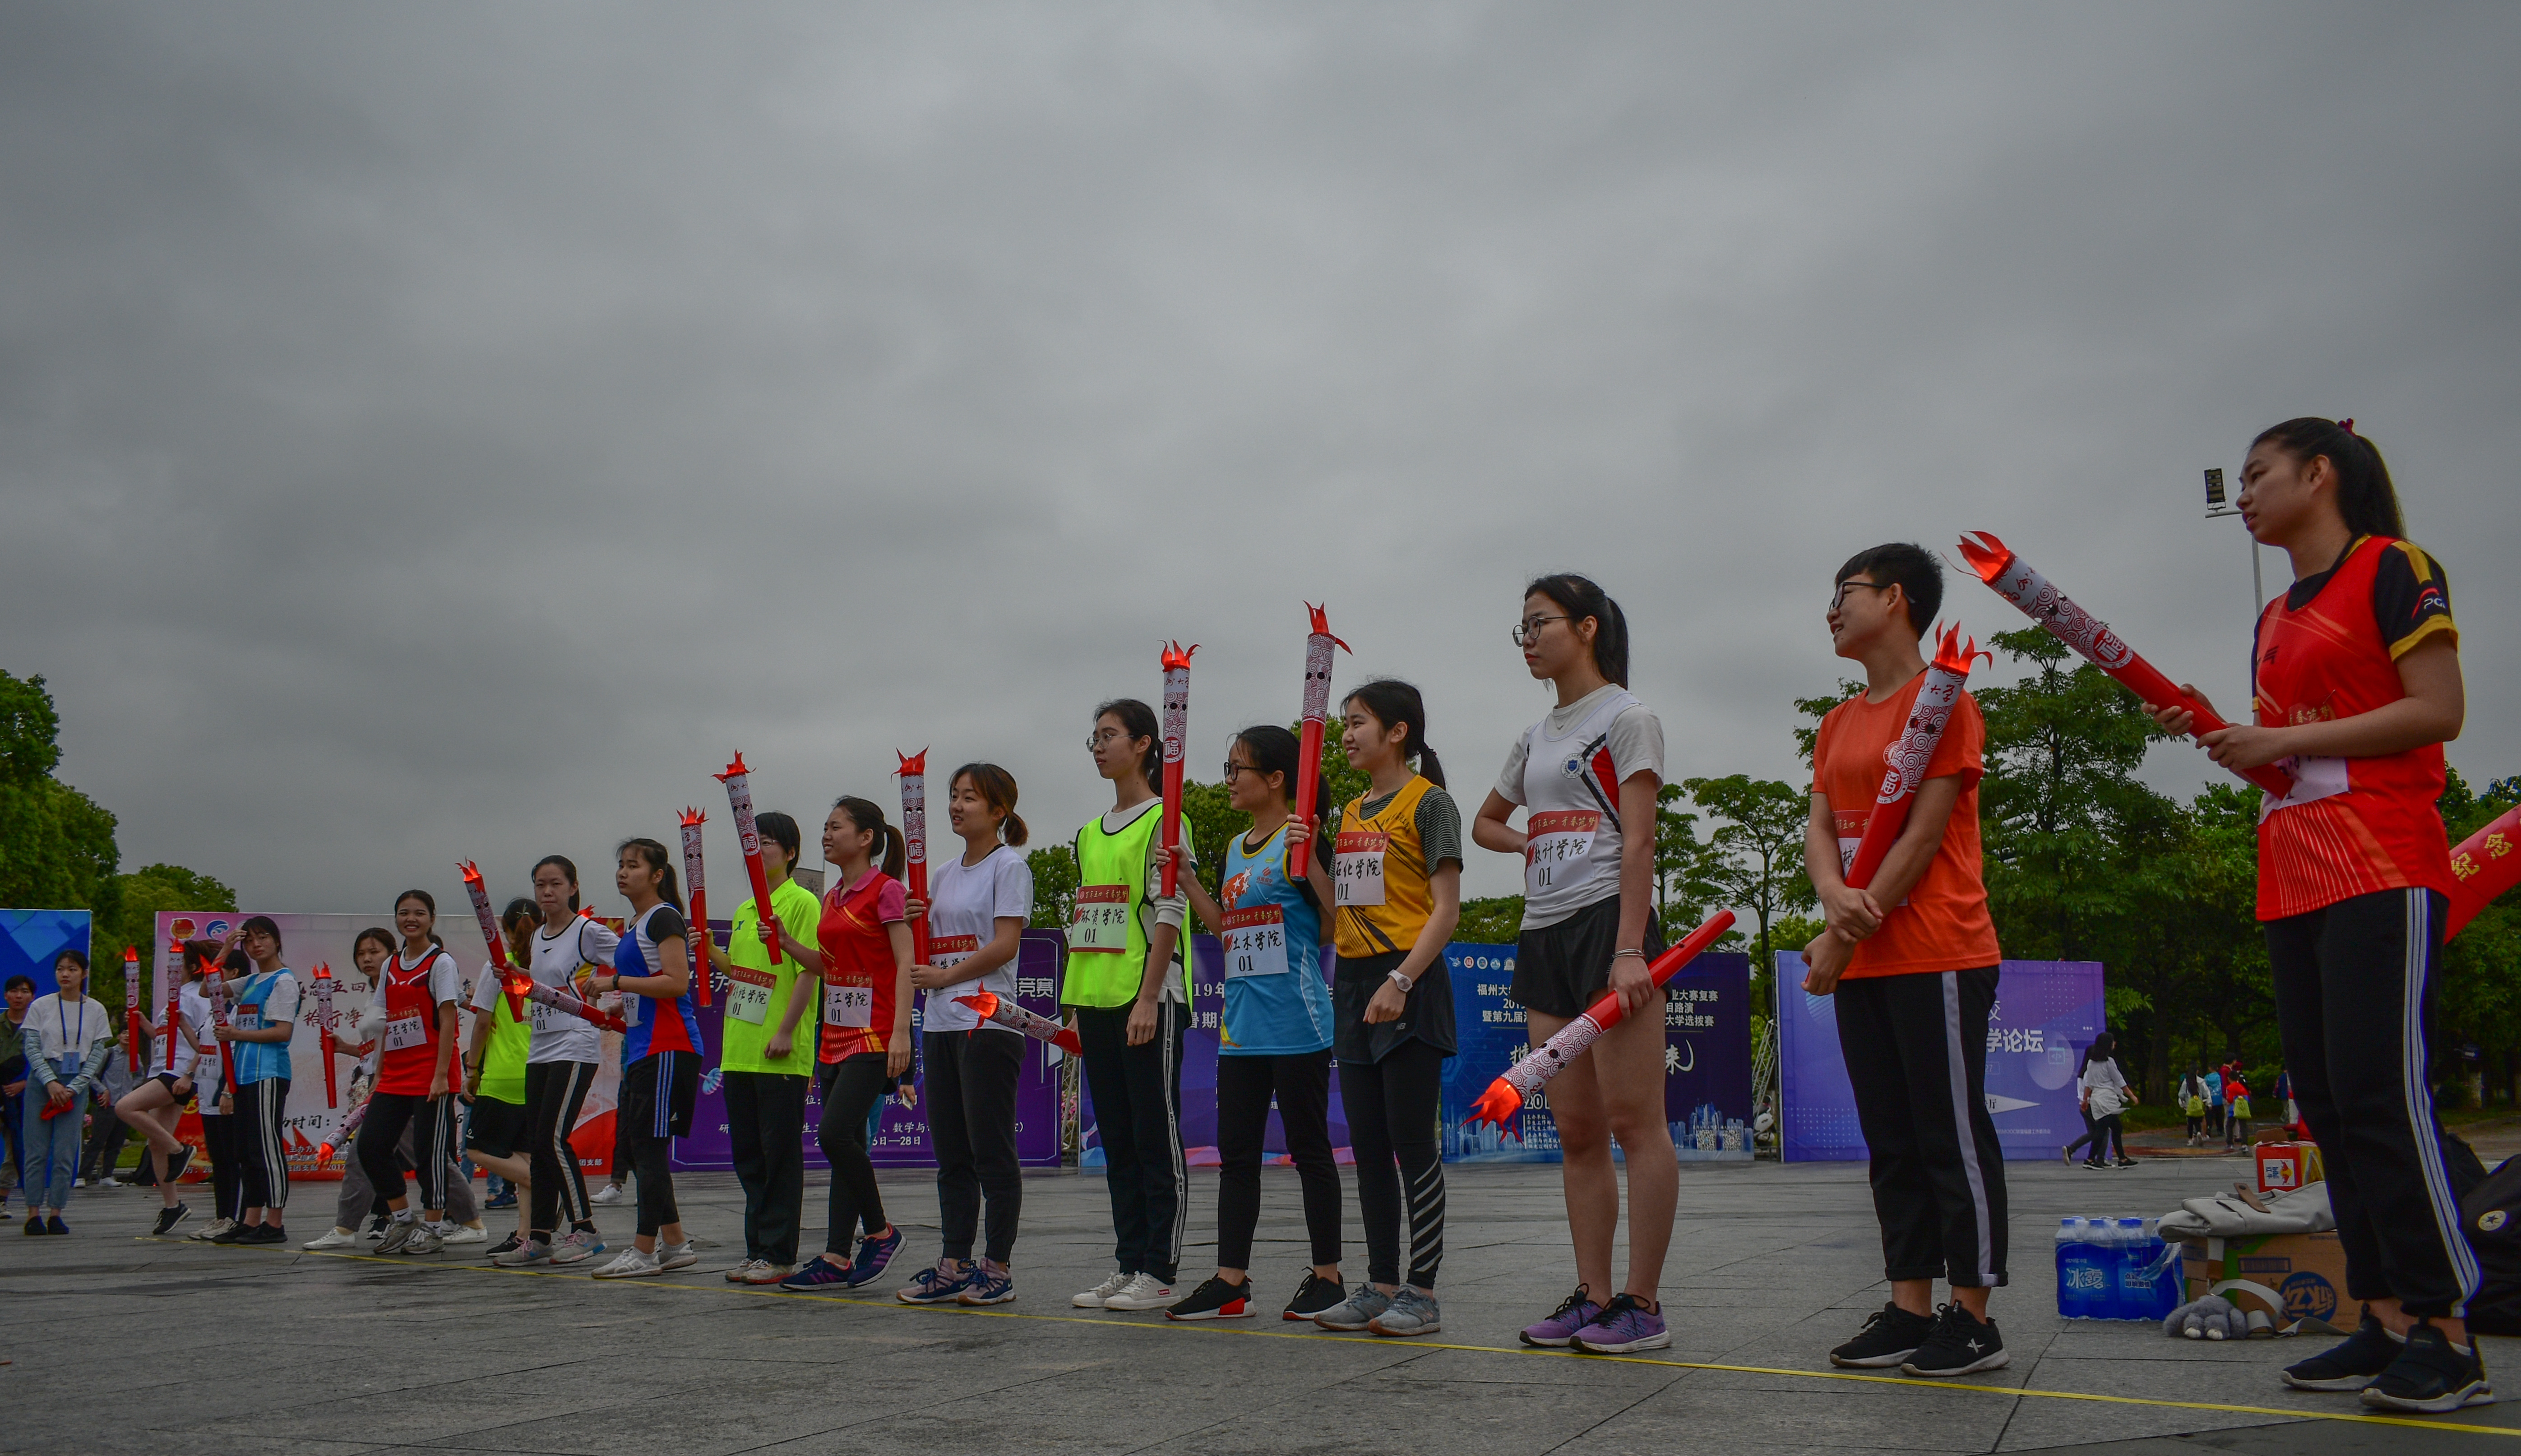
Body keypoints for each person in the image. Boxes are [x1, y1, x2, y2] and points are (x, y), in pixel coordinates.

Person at [2152, 418, 2482, 1412]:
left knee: (2383, 1096)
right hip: (2292, 872)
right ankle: (2380, 1318)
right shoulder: (2273, 615)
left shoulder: (2392, 567)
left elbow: (2438, 709)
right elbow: (2288, 757)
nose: (2246, 494)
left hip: (2380, 858)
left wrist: (2277, 741)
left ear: (2320, 472)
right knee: (2328, 1106)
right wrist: (2223, 730)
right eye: (2243, 480)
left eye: (2260, 474)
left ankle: (2447, 1332)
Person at [1803, 543, 2011, 1379]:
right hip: (1865, 954)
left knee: (1947, 1135)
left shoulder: (1944, 702)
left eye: (1844, 592)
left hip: (1938, 948)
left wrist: (1848, 925)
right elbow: (1821, 825)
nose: (1830, 609)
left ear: (1895, 598)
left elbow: (1923, 836)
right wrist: (1832, 897)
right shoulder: (1836, 722)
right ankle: (1908, 1306)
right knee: (1889, 1140)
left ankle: (1973, 1316)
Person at [1474, 574, 1674, 1354]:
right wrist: (1532, 840)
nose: (1526, 639)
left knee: (1633, 1121)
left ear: (1587, 628)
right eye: (1519, 628)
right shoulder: (1535, 735)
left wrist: (1628, 947)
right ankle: (1592, 1295)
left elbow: (1639, 839)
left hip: (1607, 924)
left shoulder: (1627, 718)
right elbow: (1488, 820)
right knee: (1577, 1128)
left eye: (1539, 623)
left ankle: (1641, 1302)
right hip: (1544, 931)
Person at [1161, 727, 1345, 1323]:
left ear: (1276, 778)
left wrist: (1311, 858)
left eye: (1238, 768)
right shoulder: (1235, 846)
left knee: (1309, 1150)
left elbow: (1341, 922)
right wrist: (1189, 882)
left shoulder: (1302, 838)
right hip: (1240, 1029)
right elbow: (1227, 929)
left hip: (1297, 1022)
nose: (1229, 778)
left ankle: (1328, 1277)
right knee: (1237, 1155)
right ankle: (1230, 1281)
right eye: (1228, 766)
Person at [1310, 680, 1462, 1339]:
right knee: (1368, 1146)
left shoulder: (1429, 803)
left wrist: (1401, 979)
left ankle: (1421, 1292)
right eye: (1344, 723)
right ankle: (1380, 1285)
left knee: (1410, 1142)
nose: (1346, 735)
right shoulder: (1348, 811)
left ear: (1398, 731)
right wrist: (1307, 857)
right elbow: (1339, 909)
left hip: (1409, 979)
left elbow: (1446, 909)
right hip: (1352, 982)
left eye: (1358, 722)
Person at [1065, 699, 1197, 1315]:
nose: (1098, 745)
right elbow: (1091, 919)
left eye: (1109, 734)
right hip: (1096, 998)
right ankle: (1128, 1263)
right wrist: (1076, 1003)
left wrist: (1148, 995)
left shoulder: (1166, 820)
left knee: (1154, 1134)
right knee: (1116, 1139)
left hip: (1149, 998)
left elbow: (1169, 909)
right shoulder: (1089, 832)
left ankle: (1160, 1269)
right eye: (1093, 737)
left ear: (1144, 743)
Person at [900, 764, 1035, 1307]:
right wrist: (911, 917)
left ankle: (997, 1267)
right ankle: (953, 1263)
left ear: (999, 810)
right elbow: (926, 946)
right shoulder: (939, 874)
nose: (957, 806)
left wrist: (946, 977)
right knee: (952, 1154)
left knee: (992, 1152)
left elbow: (1004, 945)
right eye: (954, 796)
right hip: (940, 1023)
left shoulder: (1009, 866)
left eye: (970, 798)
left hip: (987, 1021)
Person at [768, 798, 913, 1291]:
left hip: (873, 1035)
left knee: (833, 1136)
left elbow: (905, 963)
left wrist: (901, 1033)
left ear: (866, 837)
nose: (826, 835)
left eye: (836, 826)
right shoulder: (833, 896)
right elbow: (829, 966)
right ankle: (836, 1255)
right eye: (825, 827)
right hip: (834, 1036)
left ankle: (882, 1232)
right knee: (845, 1145)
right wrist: (789, 944)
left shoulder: (887, 890)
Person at [693, 808, 821, 1285]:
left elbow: (809, 971)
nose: (759, 849)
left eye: (768, 841)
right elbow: (744, 973)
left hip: (779, 1051)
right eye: (754, 841)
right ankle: (757, 1249)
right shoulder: (747, 908)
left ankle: (780, 1253)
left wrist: (786, 1030)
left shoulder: (801, 902)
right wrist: (711, 950)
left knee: (779, 1155)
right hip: (740, 1049)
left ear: (790, 852)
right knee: (748, 1155)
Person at [491, 856, 619, 1268]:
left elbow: (636, 962)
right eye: (540, 884)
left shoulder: (587, 931)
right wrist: (515, 973)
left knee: (553, 1139)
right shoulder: (538, 934)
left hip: (575, 1041)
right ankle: (541, 1236)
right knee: (538, 1143)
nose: (547, 891)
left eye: (556, 884)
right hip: (541, 1045)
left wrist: (614, 995)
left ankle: (586, 1229)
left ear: (573, 887)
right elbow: (541, 984)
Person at [584, 839, 702, 1279]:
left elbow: (676, 982)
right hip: (641, 1047)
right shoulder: (636, 923)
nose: (623, 872)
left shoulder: (663, 916)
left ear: (657, 875)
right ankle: (675, 1243)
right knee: (639, 1149)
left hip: (668, 1046)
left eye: (633, 865)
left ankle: (643, 1250)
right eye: (621, 864)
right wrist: (623, 1002)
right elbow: (651, 983)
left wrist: (616, 982)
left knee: (648, 1150)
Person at [344, 894, 468, 1255]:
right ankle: (402, 1218)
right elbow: (386, 1024)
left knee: (430, 1154)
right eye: (404, 913)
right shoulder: (391, 964)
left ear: (432, 918)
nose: (411, 919)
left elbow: (448, 1019)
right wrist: (379, 1076)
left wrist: (441, 1075)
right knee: (371, 1146)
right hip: (396, 1075)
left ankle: (434, 1227)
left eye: (419, 913)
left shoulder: (441, 962)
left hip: (431, 1074)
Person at [210, 917, 299, 1245]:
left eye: (263, 938)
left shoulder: (283, 981)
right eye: (249, 941)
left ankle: (274, 1223)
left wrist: (236, 1034)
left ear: (277, 941)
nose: (256, 945)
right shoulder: (250, 981)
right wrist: (225, 949)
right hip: (244, 1075)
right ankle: (250, 1220)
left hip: (268, 1073)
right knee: (246, 1150)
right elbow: (208, 989)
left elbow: (282, 1032)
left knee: (266, 1148)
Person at [462, 898, 540, 1256]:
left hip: (502, 1075)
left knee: (476, 1149)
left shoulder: (498, 967)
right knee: (524, 1155)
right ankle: (525, 1234)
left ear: (505, 929)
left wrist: (472, 1069)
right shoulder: (547, 967)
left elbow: (482, 1023)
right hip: (537, 1073)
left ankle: (546, 1186)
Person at [116, 945, 210, 1236]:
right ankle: (173, 1206)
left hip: (178, 1073)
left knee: (125, 1107)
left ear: (192, 968)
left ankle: (180, 1150)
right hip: (162, 1070)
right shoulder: (174, 998)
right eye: (170, 965)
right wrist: (144, 1023)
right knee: (156, 1142)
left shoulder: (198, 996)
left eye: (177, 965)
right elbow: (165, 1037)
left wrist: (190, 1074)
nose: (171, 970)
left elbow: (206, 1040)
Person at [18, 950, 113, 1233]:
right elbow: (32, 1047)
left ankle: (56, 1212)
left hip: (77, 1080)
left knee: (65, 1152)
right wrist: (50, 1082)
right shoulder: (41, 1006)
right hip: (42, 1081)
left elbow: (97, 1053)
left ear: (84, 973)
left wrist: (74, 1087)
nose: (65, 974)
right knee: (36, 1150)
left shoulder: (96, 1009)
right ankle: (33, 1213)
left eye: (72, 969)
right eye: (61, 969)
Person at [0, 972, 32, 1222]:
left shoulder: (38, 1027)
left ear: (32, 996)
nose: (18, 996)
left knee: (16, 1149)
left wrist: (25, 1084)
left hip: (22, 1099)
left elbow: (50, 1062)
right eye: (14, 991)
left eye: (24, 991)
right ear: (6, 995)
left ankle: (2, 1200)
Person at [2077, 1033, 2133, 1170]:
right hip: (2107, 1100)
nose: (2115, 1044)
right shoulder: (2109, 1062)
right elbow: (2119, 1081)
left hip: (2097, 1100)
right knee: (2102, 1130)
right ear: (2108, 1045)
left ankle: (2122, 1159)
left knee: (2116, 1128)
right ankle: (2091, 1159)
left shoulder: (2091, 1063)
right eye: (2113, 1042)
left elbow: (2089, 1084)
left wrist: (2085, 1100)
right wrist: (2132, 1096)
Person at [2179, 1064, 2210, 1147]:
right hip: (2199, 1106)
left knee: (2190, 1123)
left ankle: (2191, 1140)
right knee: (2198, 1122)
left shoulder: (2186, 1083)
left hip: (2189, 1106)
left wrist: (2184, 1102)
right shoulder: (2201, 1082)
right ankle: (2199, 1132)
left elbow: (2181, 1095)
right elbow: (2206, 1095)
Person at [2225, 1072, 2253, 1152]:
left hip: (2233, 1110)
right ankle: (2245, 1145)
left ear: (2229, 1079)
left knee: (2229, 1126)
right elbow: (2247, 1098)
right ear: (2238, 1078)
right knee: (2243, 1126)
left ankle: (2230, 1144)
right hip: (2242, 1110)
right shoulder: (2242, 1087)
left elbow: (2230, 1099)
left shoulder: (2229, 1088)